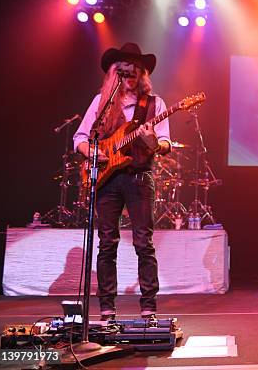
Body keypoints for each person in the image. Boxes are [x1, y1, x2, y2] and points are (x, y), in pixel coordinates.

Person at [73, 42, 171, 321]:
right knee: (107, 243)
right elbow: (80, 138)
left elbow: (164, 141)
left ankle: (149, 307)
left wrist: (154, 143)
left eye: (133, 72)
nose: (128, 77)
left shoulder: (155, 104)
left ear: (141, 75)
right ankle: (106, 307)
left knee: (143, 242)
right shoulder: (100, 103)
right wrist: (93, 152)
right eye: (122, 71)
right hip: (107, 180)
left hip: (139, 176)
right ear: (114, 74)